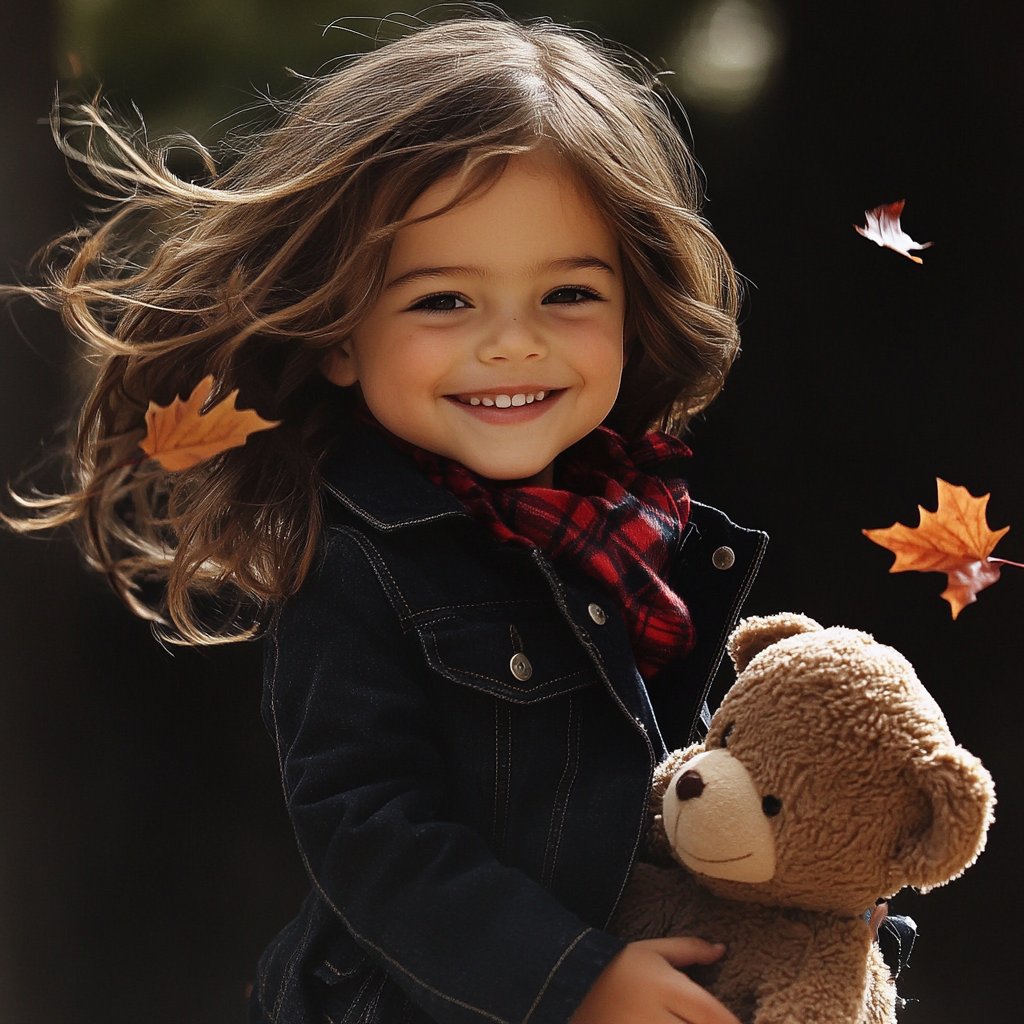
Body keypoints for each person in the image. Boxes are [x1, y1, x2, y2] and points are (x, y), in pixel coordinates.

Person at [3, 12, 768, 1024]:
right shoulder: (358, 563)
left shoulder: (646, 536)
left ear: (635, 308)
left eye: (567, 293)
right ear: (340, 337)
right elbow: (373, 837)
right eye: (444, 301)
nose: (511, 344)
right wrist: (575, 980)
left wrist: (836, 923)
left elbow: (710, 795)